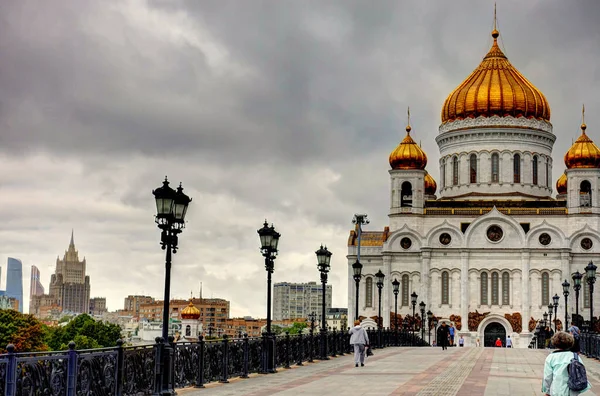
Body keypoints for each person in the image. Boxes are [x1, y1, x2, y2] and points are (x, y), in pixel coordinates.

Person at [542, 331, 591, 395]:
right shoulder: (575, 356)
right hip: (573, 390)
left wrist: (546, 391)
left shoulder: (551, 357)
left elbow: (547, 377)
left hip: (557, 390)